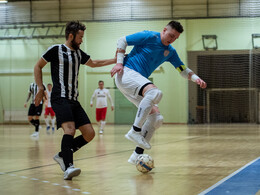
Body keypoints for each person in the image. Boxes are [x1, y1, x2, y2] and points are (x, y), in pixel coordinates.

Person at [110, 21, 207, 165]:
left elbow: (182, 70)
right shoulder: (148, 36)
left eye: (175, 38)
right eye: (171, 35)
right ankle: (135, 130)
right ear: (164, 30)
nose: (172, 39)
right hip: (127, 73)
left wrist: (196, 78)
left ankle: (136, 155)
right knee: (155, 93)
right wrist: (119, 63)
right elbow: (122, 40)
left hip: (136, 82)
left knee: (156, 118)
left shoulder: (170, 52)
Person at [34, 21, 116, 180]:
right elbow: (38, 66)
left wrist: (115, 60)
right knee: (70, 129)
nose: (82, 40)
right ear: (71, 36)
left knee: (89, 133)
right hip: (60, 98)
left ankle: (61, 155)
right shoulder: (55, 50)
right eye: (80, 37)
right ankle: (68, 166)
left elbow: (94, 63)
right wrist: (40, 88)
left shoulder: (79, 54)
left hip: (74, 100)